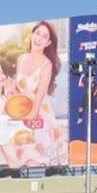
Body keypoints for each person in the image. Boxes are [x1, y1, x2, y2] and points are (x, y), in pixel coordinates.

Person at [9, 20, 64, 168]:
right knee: (18, 161)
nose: (39, 38)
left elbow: (39, 97)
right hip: (22, 112)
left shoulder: (47, 65)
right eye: (37, 33)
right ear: (32, 35)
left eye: (44, 36)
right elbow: (17, 93)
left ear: (48, 43)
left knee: (34, 159)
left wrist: (30, 122)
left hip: (39, 115)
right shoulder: (21, 59)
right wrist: (10, 89)